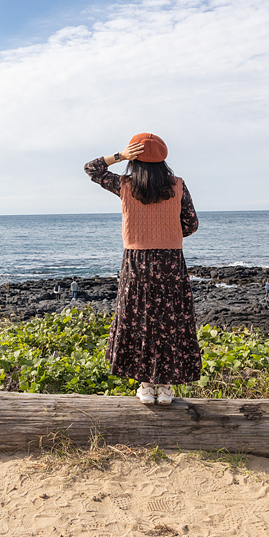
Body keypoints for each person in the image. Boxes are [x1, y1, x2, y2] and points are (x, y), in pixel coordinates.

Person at [85, 133, 201, 406]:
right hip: (170, 260)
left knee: (140, 319)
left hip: (137, 260)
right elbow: (192, 224)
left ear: (134, 158)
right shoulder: (178, 185)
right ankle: (166, 387)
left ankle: (146, 385)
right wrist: (168, 235)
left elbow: (91, 168)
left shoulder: (125, 184)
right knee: (170, 319)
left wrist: (119, 156)